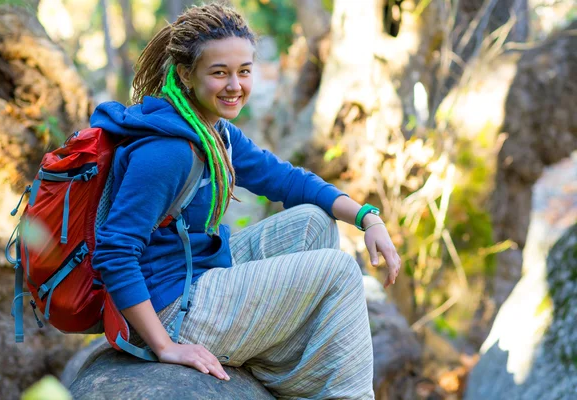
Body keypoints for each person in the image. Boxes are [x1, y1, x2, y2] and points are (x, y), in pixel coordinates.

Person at [90, 3, 401, 399]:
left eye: (244, 71)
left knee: (313, 220)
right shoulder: (169, 151)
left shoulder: (213, 131)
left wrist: (366, 217)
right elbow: (116, 251)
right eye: (219, 72)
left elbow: (285, 179)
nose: (235, 85)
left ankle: (289, 364)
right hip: (171, 310)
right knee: (339, 269)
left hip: (196, 276)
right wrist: (166, 346)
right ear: (186, 74)